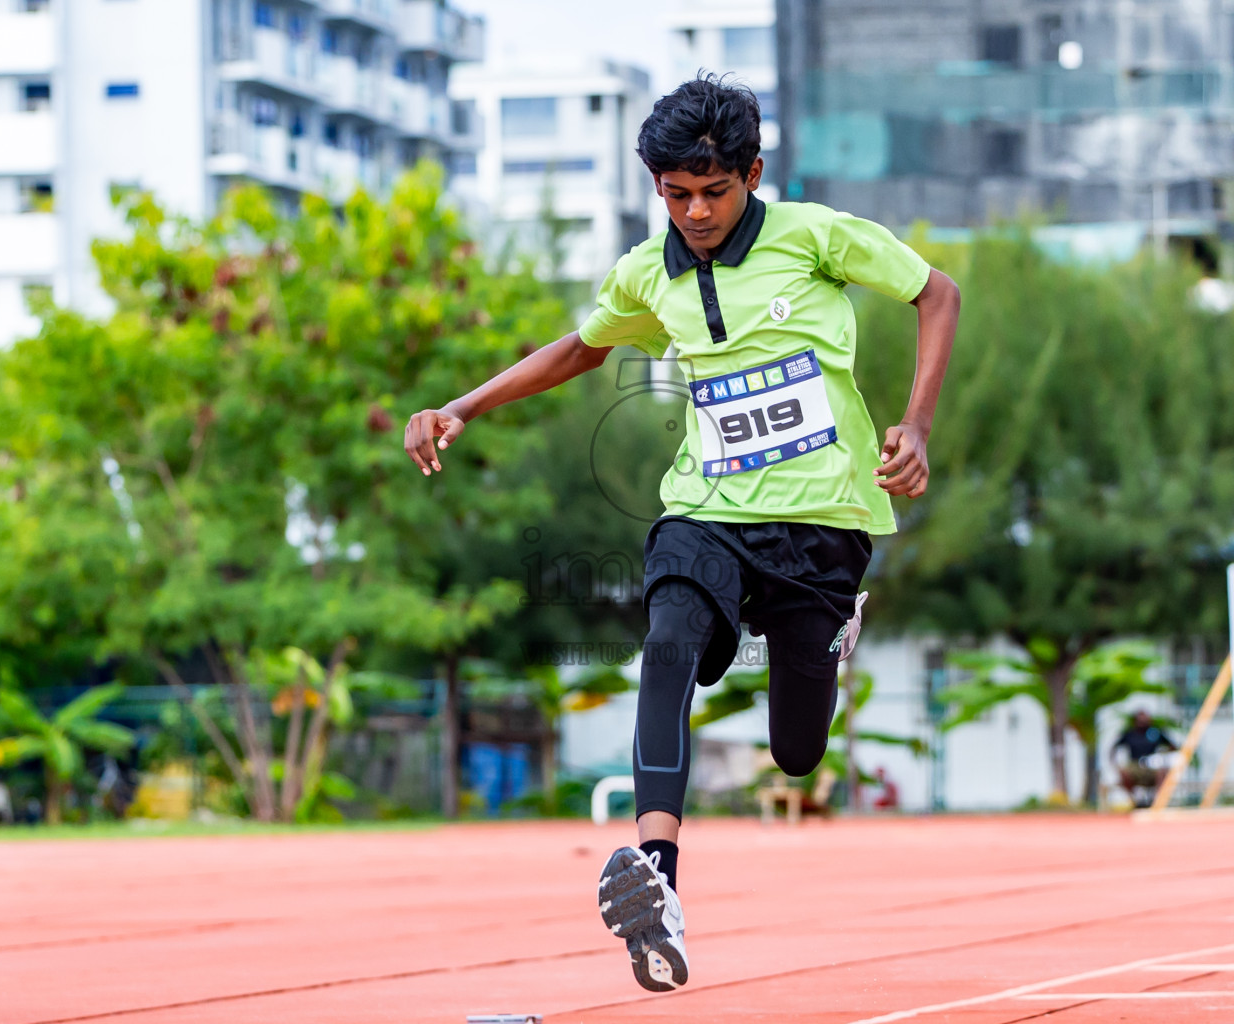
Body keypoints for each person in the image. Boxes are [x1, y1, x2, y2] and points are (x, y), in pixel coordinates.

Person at [405, 75, 961, 992]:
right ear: (655, 188)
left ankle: (829, 631)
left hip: (824, 522)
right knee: (663, 645)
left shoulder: (814, 237)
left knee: (797, 751)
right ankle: (656, 878)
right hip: (706, 506)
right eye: (674, 194)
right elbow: (581, 347)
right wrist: (461, 406)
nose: (694, 211)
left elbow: (935, 294)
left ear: (751, 174)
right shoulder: (645, 272)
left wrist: (918, 424)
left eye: (713, 191)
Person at [1112, 709, 1178, 805]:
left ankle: (1157, 801)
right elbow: (1114, 748)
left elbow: (1172, 746)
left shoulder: (1155, 732)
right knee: (1124, 773)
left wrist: (1163, 756)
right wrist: (1115, 765)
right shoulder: (1129, 734)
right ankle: (1135, 799)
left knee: (1162, 772)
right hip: (1135, 765)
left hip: (1152, 765)